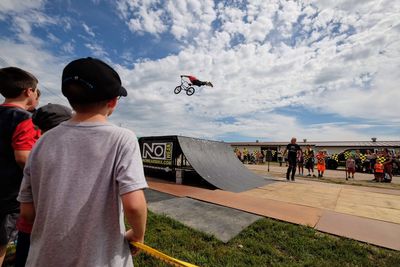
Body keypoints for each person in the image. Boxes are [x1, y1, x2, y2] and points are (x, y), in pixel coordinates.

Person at [17, 57, 148, 266]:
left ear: (70, 99)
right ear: (112, 102)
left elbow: (26, 211)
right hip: (101, 259)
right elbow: (133, 204)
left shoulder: (42, 142)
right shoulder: (122, 138)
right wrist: (138, 235)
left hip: (44, 257)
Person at [14, 103, 73, 267]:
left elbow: (26, 212)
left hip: (31, 226)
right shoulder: (54, 153)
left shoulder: (36, 150)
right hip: (49, 227)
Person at [0, 67, 40, 266]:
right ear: (28, 92)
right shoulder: (24, 118)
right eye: (35, 91)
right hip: (8, 195)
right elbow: (23, 157)